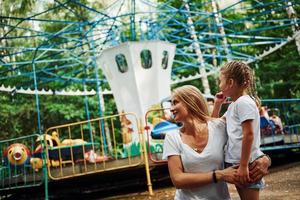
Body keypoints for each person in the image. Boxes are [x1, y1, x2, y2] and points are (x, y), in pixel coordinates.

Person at [162, 85, 270, 200]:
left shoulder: (219, 127)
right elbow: (178, 180)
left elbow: (245, 138)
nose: (171, 108)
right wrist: (219, 175)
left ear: (191, 101)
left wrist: (265, 159)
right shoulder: (172, 137)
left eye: (175, 103)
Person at [213, 60, 265, 200]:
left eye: (220, 81)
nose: (219, 85)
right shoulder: (234, 105)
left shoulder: (243, 102)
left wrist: (243, 166)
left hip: (246, 164)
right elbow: (215, 124)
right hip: (239, 162)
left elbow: (248, 135)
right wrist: (217, 105)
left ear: (230, 82)